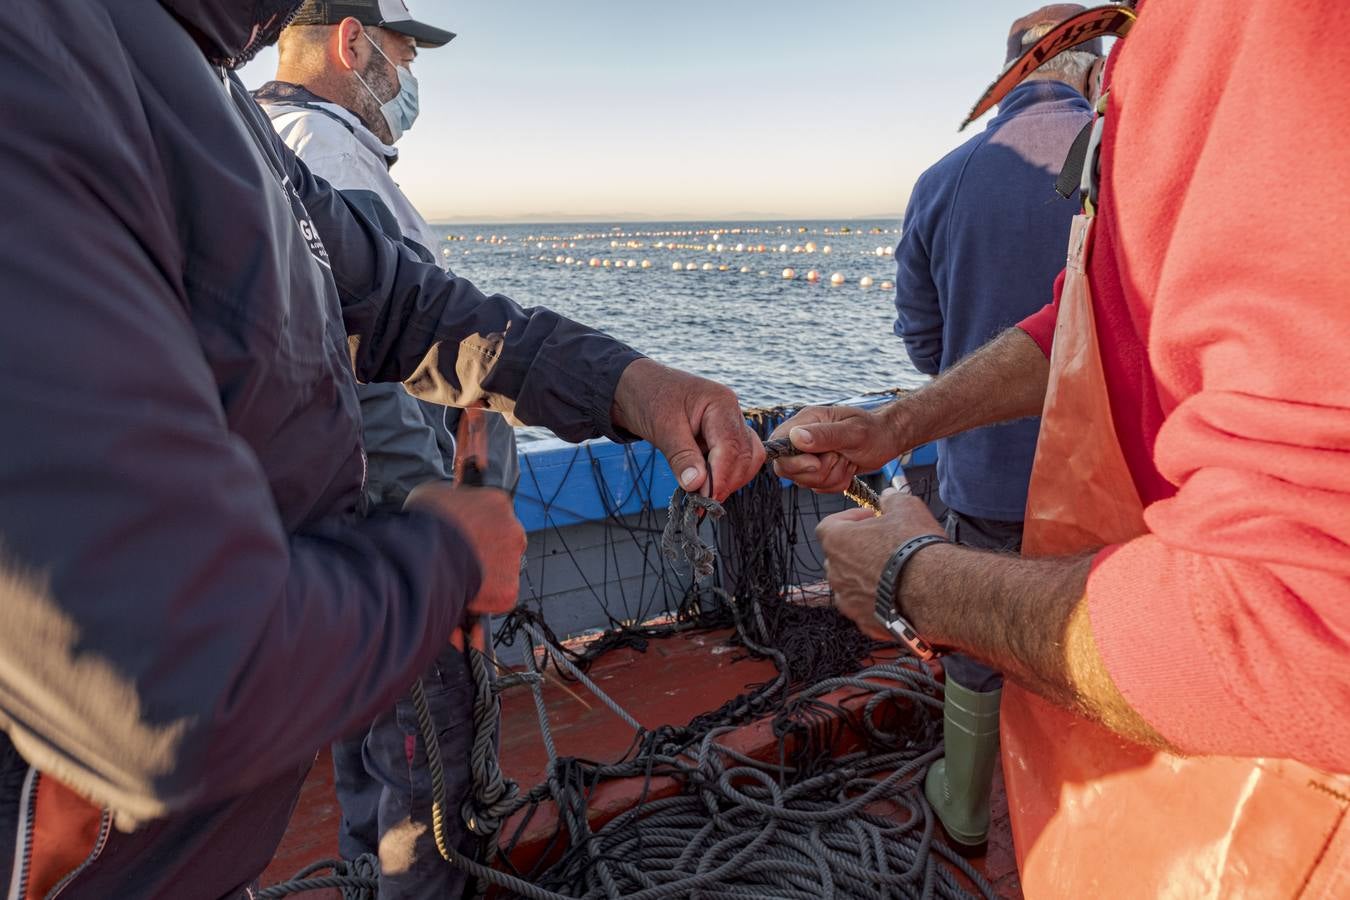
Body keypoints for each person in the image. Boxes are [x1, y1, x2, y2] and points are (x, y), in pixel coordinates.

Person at [0, 2, 765, 898]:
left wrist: (630, 383)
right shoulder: (46, 52)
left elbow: (402, 301)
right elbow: (163, 684)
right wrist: (446, 557)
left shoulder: (209, 89)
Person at [774, 0, 1349, 892]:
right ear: (1088, 67)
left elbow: (1301, 625)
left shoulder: (1266, 30)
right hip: (1142, 547)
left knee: (991, 660)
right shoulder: (1147, 82)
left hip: (1283, 827)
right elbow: (1089, 315)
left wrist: (912, 580)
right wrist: (893, 427)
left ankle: (963, 804)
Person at [252, 6, 521, 892]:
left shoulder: (265, 140)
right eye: (405, 57)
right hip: (395, 551)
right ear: (353, 44)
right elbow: (372, 370)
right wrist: (433, 546)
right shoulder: (326, 156)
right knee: (424, 780)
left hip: (333, 553)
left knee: (366, 756)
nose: (409, 86)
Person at [890, 3, 1095, 852]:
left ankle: (966, 808)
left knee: (977, 638)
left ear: (1012, 71)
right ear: (1089, 68)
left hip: (990, 473)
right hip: (1117, 477)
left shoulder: (942, 179)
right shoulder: (1136, 155)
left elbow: (925, 341)